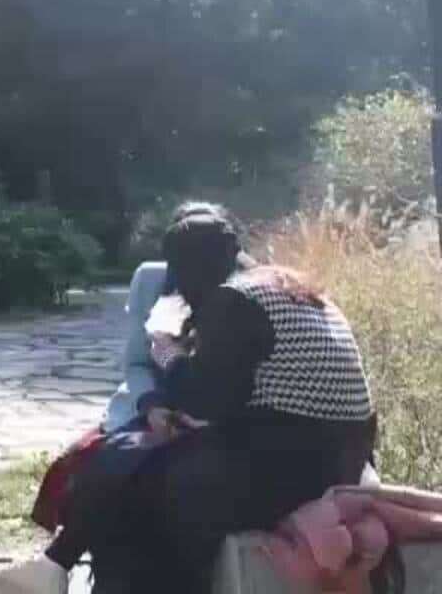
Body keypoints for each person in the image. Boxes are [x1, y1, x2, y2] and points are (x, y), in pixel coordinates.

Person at [41, 209, 375, 594]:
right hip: (338, 456)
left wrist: (166, 352)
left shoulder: (233, 299)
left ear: (189, 267)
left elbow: (204, 400)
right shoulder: (280, 284)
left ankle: (65, 571)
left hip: (292, 466)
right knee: (137, 471)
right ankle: (58, 569)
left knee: (140, 487)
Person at [0, 202, 226, 594]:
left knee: (125, 473)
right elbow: (139, 361)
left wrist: (177, 373)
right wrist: (152, 405)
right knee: (89, 460)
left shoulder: (239, 295)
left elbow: (219, 380)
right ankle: (66, 572)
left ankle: (55, 568)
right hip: (153, 406)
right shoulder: (153, 281)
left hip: (205, 420)